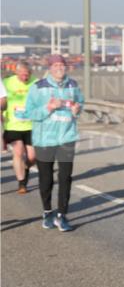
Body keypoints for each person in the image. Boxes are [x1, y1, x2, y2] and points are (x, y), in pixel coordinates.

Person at [23, 55, 84, 231]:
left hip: (67, 137)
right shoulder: (38, 87)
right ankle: (47, 211)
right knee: (46, 178)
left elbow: (80, 103)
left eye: (62, 65)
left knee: (65, 177)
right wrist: (48, 107)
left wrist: (77, 109)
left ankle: (61, 215)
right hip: (44, 139)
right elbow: (29, 113)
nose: (59, 68)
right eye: (55, 65)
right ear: (49, 68)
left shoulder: (73, 85)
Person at [3, 62, 38, 193]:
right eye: (22, 74)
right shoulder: (7, 83)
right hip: (13, 124)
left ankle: (26, 167)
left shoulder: (36, 83)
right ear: (16, 72)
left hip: (31, 125)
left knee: (32, 157)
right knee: (18, 152)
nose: (25, 77)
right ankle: (21, 183)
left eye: (27, 75)